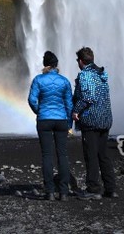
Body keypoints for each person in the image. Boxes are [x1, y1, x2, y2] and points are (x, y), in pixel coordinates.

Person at [72, 46, 117, 199]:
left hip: (91, 120)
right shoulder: (101, 75)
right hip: (105, 119)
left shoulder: (86, 75)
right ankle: (111, 188)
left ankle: (93, 189)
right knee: (103, 154)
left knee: (91, 155)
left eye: (77, 60)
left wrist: (76, 110)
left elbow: (89, 97)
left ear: (80, 61)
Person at [28, 50, 73, 201]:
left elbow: (32, 100)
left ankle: (50, 192)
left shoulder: (38, 80)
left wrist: (39, 111)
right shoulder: (64, 81)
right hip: (61, 120)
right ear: (56, 65)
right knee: (62, 154)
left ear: (45, 64)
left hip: (44, 120)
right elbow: (69, 104)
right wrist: (69, 123)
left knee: (47, 155)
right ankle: (64, 192)